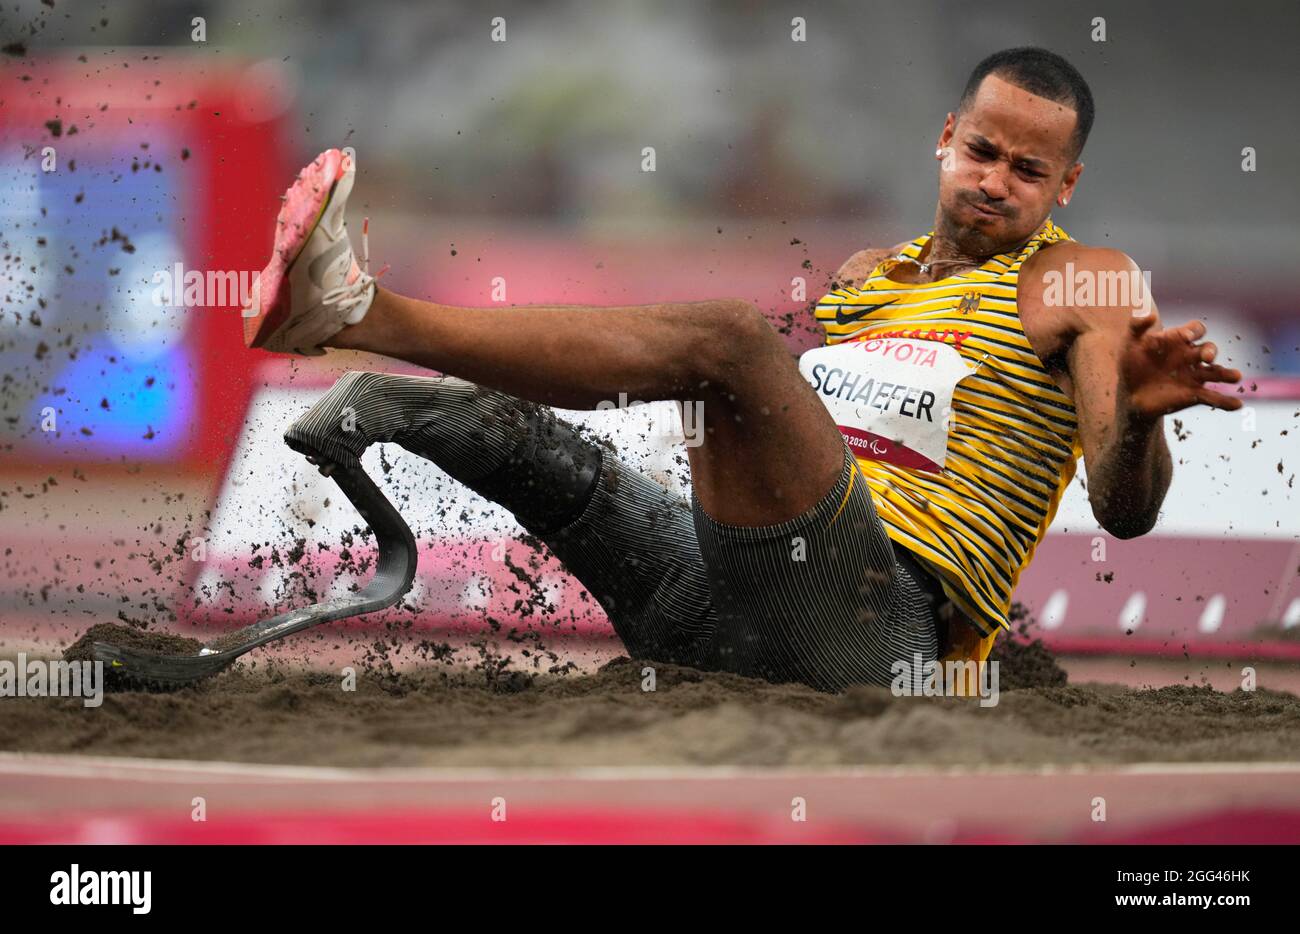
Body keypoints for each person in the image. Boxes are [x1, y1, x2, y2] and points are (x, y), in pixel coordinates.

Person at [242, 47, 1242, 693]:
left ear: (1066, 184)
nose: (994, 182)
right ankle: (369, 390)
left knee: (727, 342)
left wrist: (1144, 421)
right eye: (982, 151)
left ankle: (355, 311)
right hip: (720, 616)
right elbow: (806, 455)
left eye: (1028, 172)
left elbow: (1122, 508)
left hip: (880, 637)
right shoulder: (859, 280)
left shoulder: (1087, 280)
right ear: (945, 140)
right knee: (519, 435)